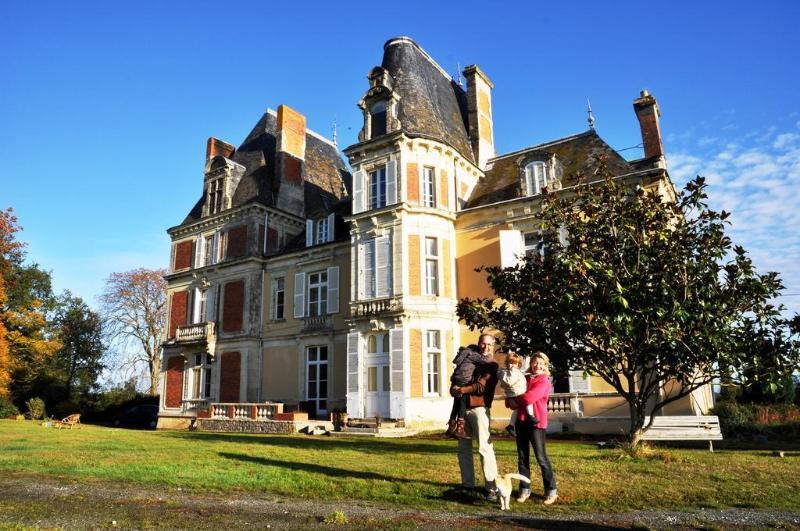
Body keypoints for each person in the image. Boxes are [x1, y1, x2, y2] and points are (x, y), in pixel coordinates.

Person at [451, 333, 499, 500]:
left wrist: (461, 390)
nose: (485, 347)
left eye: (488, 344)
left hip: (480, 409)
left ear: (493, 346)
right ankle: (467, 485)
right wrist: (454, 388)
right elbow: (457, 379)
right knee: (463, 450)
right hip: (463, 409)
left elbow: (480, 387)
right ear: (478, 344)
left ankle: (491, 487)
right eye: (482, 343)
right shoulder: (470, 358)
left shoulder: (492, 365)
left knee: (484, 448)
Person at [511, 351, 557, 505]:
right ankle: (524, 490)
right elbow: (510, 398)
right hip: (521, 421)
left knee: (541, 458)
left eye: (541, 363)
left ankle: (551, 491)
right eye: (535, 362)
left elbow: (528, 398)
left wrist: (515, 399)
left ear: (545, 365)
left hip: (536, 424)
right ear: (531, 363)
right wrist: (512, 399)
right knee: (522, 459)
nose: (538, 366)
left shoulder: (544, 381)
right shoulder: (523, 378)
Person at [445, 344, 484, 439]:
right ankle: (460, 429)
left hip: (456, 379)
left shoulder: (462, 354)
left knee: (456, 404)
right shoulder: (473, 354)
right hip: (464, 380)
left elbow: (456, 363)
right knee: (462, 402)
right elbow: (484, 362)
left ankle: (450, 428)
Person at [497, 352, 535, 437]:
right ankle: (531, 416)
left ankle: (511, 425)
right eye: (511, 363)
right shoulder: (506, 373)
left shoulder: (516, 372)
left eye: (515, 363)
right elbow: (510, 381)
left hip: (518, 392)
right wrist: (513, 371)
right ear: (507, 363)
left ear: (518, 364)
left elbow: (520, 377)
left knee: (517, 410)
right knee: (528, 401)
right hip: (515, 394)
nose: (513, 365)